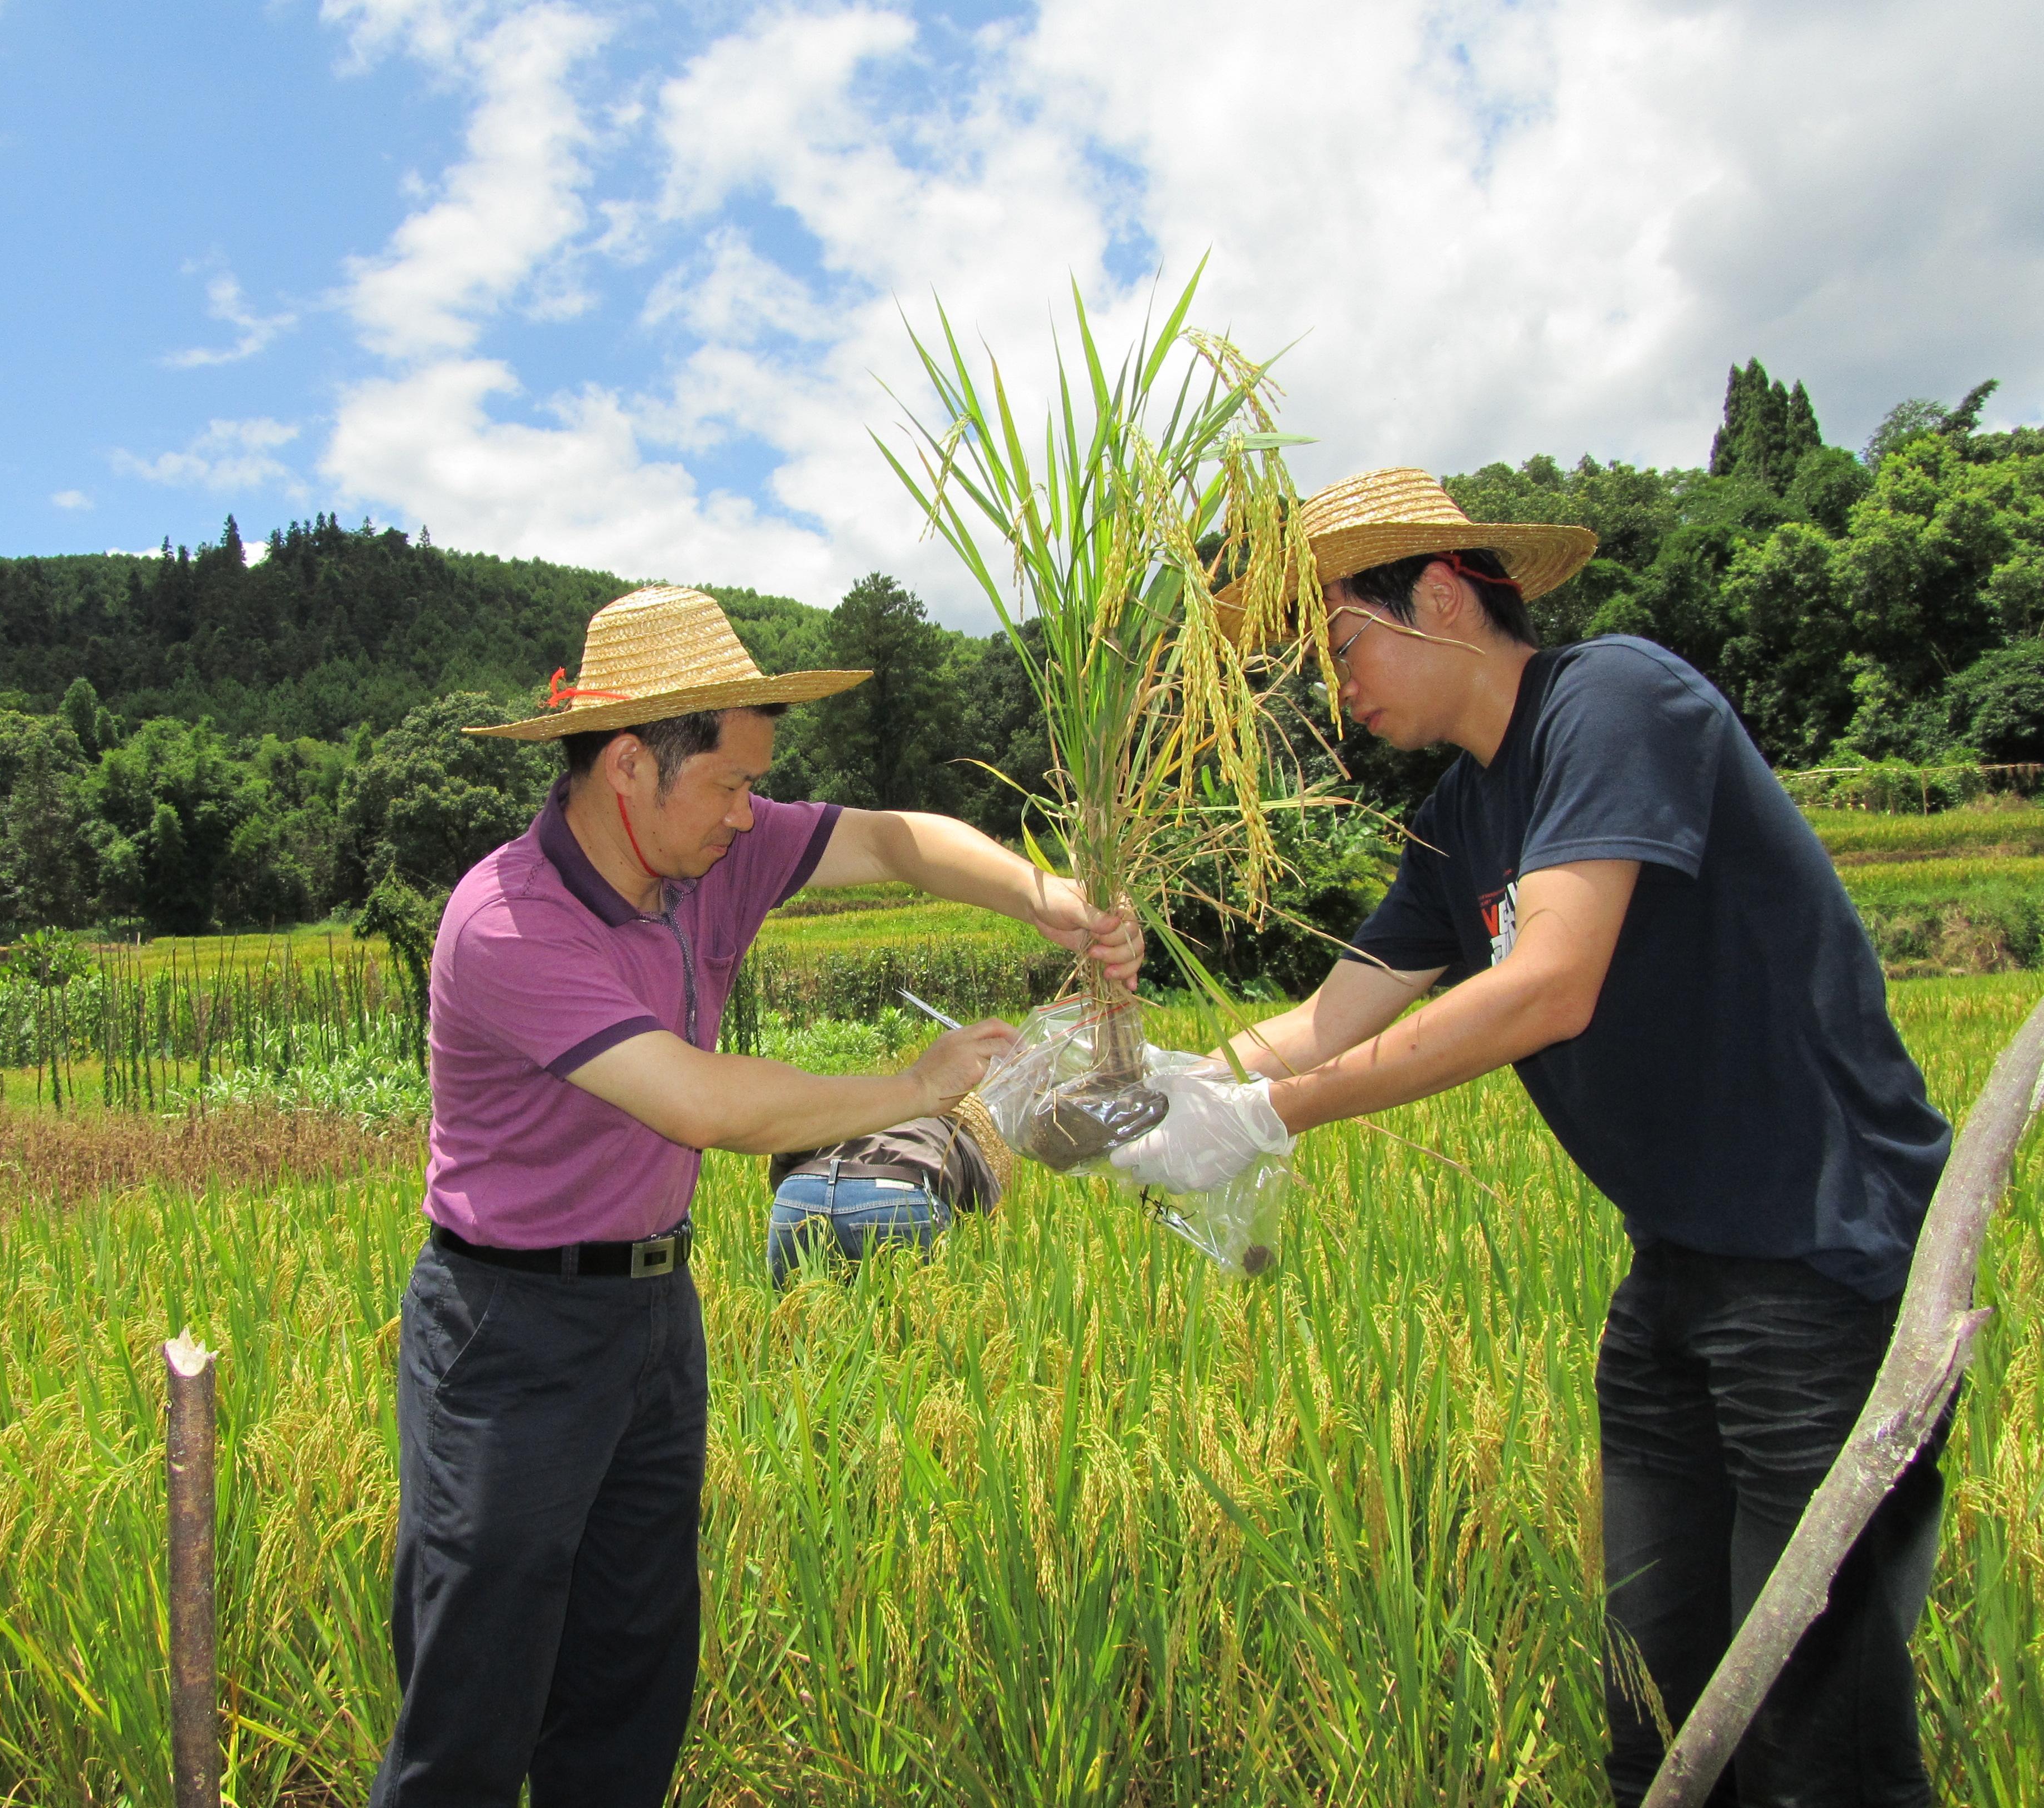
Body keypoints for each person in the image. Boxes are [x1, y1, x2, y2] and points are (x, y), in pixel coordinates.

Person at [1112, 469, 1954, 1807]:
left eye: (1340, 643)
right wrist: (1155, 1086)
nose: (1338, 690)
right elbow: (1329, 1016)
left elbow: (1547, 983)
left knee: (1815, 1738)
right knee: (1655, 1713)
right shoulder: (1457, 821)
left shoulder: (1615, 699)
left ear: (1443, 594)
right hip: (1675, 1268)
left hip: (1822, 1254)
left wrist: (1266, 1115)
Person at [373, 585, 1141, 1808]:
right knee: (474, 1695)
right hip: (508, 1335)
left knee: (632, 1675)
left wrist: (1061, 907)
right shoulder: (509, 923)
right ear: (630, 764)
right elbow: (706, 1107)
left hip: (652, 1318)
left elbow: (898, 841)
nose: (752, 815)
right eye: (731, 784)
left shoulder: (708, 857)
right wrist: (915, 1087)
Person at [765, 1093, 1015, 1284]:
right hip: (896, 1199)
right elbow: (988, 1225)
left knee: (791, 1341)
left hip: (801, 1194)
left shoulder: (844, 1110)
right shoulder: (955, 1134)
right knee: (913, 1342)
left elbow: (782, 1163)